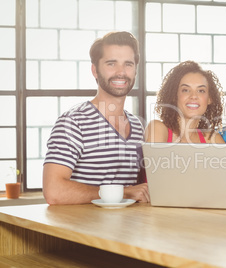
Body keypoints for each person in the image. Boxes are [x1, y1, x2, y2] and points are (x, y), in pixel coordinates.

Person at [43, 31, 149, 205]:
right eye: (111, 64)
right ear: (95, 70)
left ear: (135, 71)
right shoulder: (73, 122)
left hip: (127, 229)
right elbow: (54, 191)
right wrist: (123, 193)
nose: (121, 72)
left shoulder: (137, 126)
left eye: (128, 64)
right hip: (80, 230)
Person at [145, 60, 225, 144]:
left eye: (201, 91)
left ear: (209, 99)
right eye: (185, 90)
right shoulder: (157, 128)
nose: (193, 96)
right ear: (174, 96)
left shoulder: (212, 138)